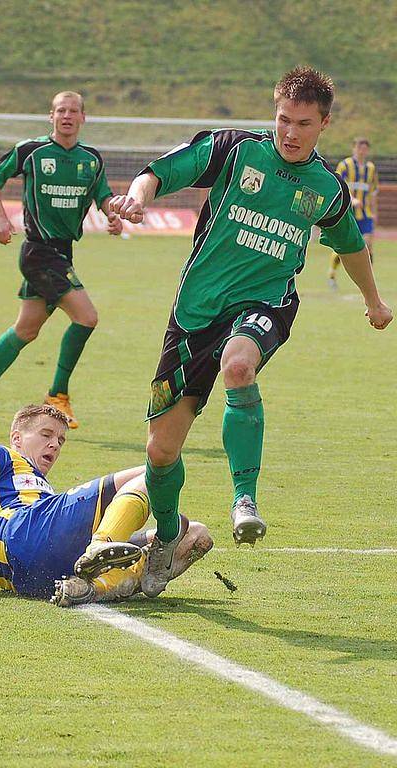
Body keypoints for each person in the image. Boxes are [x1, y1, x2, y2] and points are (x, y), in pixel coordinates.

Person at [110, 66, 393, 598]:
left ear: (323, 124)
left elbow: (351, 246)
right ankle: (170, 539)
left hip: (265, 302)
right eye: (284, 119)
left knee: (238, 365)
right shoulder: (233, 151)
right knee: (161, 452)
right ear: (274, 111)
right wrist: (138, 198)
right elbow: (159, 172)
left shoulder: (325, 188)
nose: (290, 132)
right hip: (195, 311)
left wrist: (374, 301)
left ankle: (245, 498)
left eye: (303, 124)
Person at [0, 404, 213, 606]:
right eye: (46, 434)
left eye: (60, 440)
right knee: (153, 472)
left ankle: (93, 587)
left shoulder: (41, 488)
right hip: (26, 531)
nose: (54, 445)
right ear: (17, 437)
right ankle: (107, 549)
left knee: (195, 534)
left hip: (38, 577)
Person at [0, 91, 123, 435]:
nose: (66, 116)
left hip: (62, 252)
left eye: (73, 111)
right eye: (60, 110)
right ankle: (57, 394)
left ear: (83, 118)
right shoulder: (31, 152)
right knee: (87, 317)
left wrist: (113, 216)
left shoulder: (91, 159)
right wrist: (0, 219)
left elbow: (103, 196)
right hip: (38, 252)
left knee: (26, 329)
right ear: (51, 117)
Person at [328, 137, 379, 288]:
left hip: (365, 214)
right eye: (359, 148)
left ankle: (368, 282)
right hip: (348, 213)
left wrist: (374, 212)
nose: (362, 151)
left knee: (368, 245)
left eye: (365, 148)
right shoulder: (345, 165)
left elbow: (373, 192)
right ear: (354, 149)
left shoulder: (371, 168)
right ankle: (331, 274)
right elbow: (338, 186)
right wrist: (353, 200)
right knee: (343, 248)